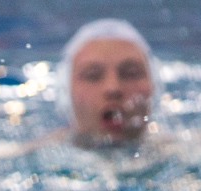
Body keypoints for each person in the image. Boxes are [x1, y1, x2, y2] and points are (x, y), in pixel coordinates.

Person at [57, 19, 159, 148]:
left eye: (131, 73)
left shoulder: (185, 153)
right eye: (92, 76)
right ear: (66, 92)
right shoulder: (31, 156)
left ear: (155, 87)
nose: (113, 88)